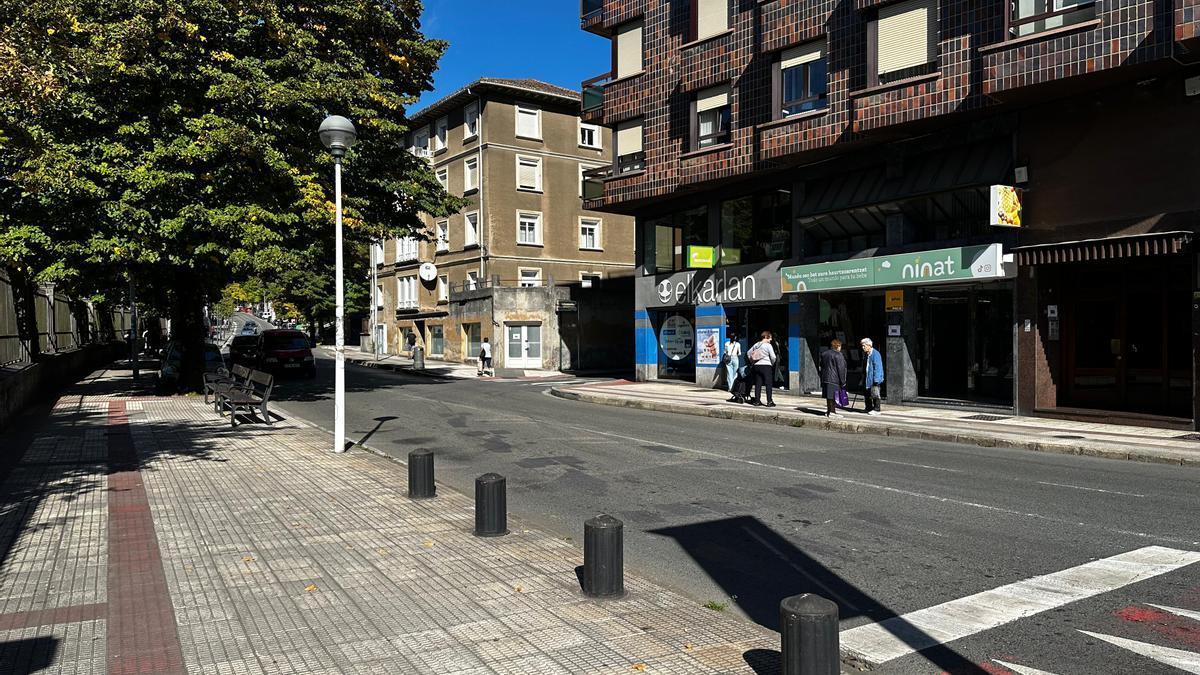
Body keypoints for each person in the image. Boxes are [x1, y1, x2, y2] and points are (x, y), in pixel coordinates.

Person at [747, 330, 777, 407]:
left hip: (756, 366)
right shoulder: (768, 345)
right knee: (768, 384)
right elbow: (773, 357)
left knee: (758, 384)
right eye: (770, 338)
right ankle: (769, 401)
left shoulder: (756, 344)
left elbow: (748, 353)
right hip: (766, 365)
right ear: (766, 337)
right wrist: (771, 363)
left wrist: (752, 361)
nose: (771, 340)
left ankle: (757, 401)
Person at [820, 339, 848, 418]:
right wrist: (843, 381)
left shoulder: (824, 354)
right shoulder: (838, 355)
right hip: (834, 379)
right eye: (840, 346)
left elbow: (821, 366)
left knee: (829, 396)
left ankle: (829, 411)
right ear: (838, 346)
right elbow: (841, 369)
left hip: (826, 378)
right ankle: (832, 412)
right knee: (833, 396)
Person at [861, 337, 884, 415]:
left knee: (875, 393)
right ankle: (868, 408)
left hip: (874, 378)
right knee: (867, 393)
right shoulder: (867, 354)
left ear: (869, 345)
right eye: (862, 346)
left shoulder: (875, 354)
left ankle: (877, 409)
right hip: (867, 377)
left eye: (864, 346)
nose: (863, 347)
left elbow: (878, 367)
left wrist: (876, 379)